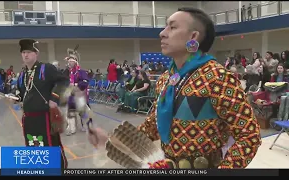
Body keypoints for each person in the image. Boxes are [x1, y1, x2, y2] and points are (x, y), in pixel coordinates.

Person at [89, 7, 262, 169]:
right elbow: (153, 126)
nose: (162, 34)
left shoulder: (219, 78)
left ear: (193, 37)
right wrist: (113, 142)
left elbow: (249, 135)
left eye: (172, 28)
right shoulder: (168, 78)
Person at [14, 39, 69, 168]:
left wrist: (54, 98)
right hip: (28, 119)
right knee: (33, 146)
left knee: (50, 145)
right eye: (23, 52)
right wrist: (16, 98)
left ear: (36, 54)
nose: (25, 55)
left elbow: (63, 81)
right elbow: (22, 93)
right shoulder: (22, 74)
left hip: (44, 117)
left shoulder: (46, 68)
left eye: (28, 52)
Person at [63, 46, 90, 135]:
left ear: (75, 62)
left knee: (83, 113)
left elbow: (85, 82)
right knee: (70, 112)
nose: (69, 63)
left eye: (71, 61)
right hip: (71, 95)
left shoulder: (81, 72)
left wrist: (76, 85)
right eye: (69, 61)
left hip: (80, 94)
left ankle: (87, 126)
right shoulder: (69, 72)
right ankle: (71, 128)